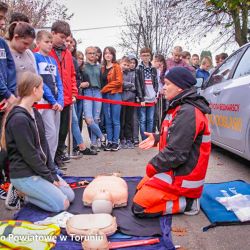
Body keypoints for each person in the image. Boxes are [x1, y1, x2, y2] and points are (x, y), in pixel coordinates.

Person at [132, 67, 211, 217]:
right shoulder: (181, 106)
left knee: (139, 207)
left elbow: (176, 153)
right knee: (139, 189)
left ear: (180, 87)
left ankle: (188, 203)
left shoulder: (188, 111)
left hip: (183, 179)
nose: (163, 88)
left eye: (167, 84)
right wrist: (157, 138)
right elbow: (178, 136)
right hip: (176, 171)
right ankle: (180, 197)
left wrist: (152, 167)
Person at [2, 72, 75, 211]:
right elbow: (30, 154)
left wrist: (53, 173)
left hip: (38, 171)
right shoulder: (19, 119)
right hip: (24, 174)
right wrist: (50, 178)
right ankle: (21, 193)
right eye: (42, 88)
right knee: (62, 204)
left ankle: (33, 192)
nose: (43, 91)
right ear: (34, 90)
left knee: (69, 196)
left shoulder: (34, 113)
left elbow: (44, 146)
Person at [49, 21, 78, 164]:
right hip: (50, 100)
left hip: (66, 98)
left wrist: (73, 92)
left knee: (62, 131)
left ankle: (58, 157)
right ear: (52, 33)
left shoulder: (67, 54)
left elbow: (72, 75)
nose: (64, 41)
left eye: (66, 38)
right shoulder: (43, 51)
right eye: (61, 37)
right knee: (50, 132)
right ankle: (50, 159)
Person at [34, 30, 64, 164]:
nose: (50, 45)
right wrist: (52, 100)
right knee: (49, 133)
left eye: (51, 42)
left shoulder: (52, 60)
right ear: (38, 42)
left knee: (55, 135)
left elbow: (58, 81)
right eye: (47, 42)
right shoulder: (35, 57)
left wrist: (60, 101)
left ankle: (51, 164)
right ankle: (45, 164)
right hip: (44, 101)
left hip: (56, 103)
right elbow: (40, 81)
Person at [0, 1, 17, 192]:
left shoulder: (2, 44)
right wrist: (6, 93)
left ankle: (7, 181)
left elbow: (10, 70)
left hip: (6, 101)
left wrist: (10, 95)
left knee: (5, 144)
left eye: (3, 18)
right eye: (0, 18)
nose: (3, 23)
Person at [83, 46, 106, 152]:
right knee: (89, 119)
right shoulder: (82, 67)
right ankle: (101, 136)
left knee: (96, 118)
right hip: (87, 92)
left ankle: (93, 143)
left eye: (94, 53)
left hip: (97, 92)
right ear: (86, 54)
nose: (92, 55)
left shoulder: (99, 67)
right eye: (90, 53)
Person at [101, 46, 123, 151]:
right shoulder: (102, 68)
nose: (107, 55)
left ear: (113, 55)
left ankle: (115, 142)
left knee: (115, 120)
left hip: (115, 95)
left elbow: (119, 82)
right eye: (105, 53)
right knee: (108, 120)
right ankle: (109, 141)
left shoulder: (116, 67)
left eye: (110, 53)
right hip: (105, 96)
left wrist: (105, 88)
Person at [137, 47, 158, 140]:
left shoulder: (153, 69)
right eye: (143, 55)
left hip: (152, 97)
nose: (145, 57)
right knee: (143, 119)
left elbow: (156, 82)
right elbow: (137, 84)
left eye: (147, 55)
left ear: (150, 56)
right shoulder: (138, 69)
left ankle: (150, 138)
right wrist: (141, 98)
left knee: (150, 119)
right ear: (140, 56)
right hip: (143, 98)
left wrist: (155, 94)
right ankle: (144, 138)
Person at [119, 56, 138, 149]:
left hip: (131, 99)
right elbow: (120, 84)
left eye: (128, 64)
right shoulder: (119, 73)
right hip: (121, 99)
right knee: (121, 120)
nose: (126, 66)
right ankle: (122, 139)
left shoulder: (132, 74)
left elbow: (135, 86)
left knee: (129, 120)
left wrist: (127, 86)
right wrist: (129, 85)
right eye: (124, 64)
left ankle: (129, 139)